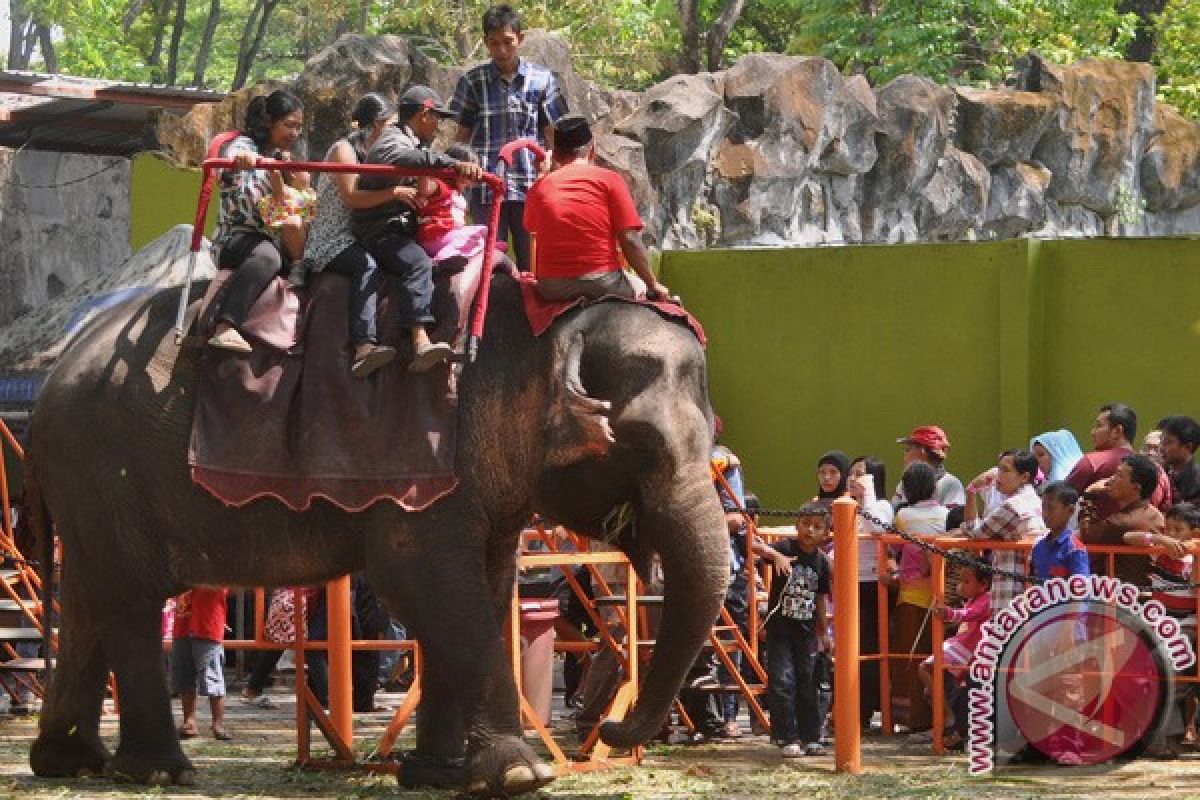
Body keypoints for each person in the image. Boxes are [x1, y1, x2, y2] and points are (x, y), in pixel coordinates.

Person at [353, 86, 483, 373]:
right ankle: (419, 338)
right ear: (425, 114)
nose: (439, 125)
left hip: (402, 227)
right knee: (418, 263)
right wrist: (452, 164)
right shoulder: (394, 140)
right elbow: (405, 159)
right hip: (379, 229)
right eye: (437, 118)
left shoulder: (414, 144)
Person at [449, 3, 568, 271]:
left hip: (531, 187)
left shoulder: (543, 80)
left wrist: (557, 175)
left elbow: (551, 134)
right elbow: (462, 137)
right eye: (494, 43)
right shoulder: (472, 82)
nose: (501, 50)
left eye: (508, 42)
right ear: (485, 43)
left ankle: (534, 313)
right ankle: (488, 313)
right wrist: (456, 178)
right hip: (486, 187)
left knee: (534, 264)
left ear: (520, 39)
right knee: (490, 262)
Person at [302, 92, 412, 379]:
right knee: (367, 265)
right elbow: (352, 198)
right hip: (332, 237)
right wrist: (394, 193)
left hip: (357, 235)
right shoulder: (343, 150)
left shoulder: (371, 154)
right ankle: (364, 346)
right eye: (390, 127)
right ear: (376, 125)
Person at [523, 115, 670, 301]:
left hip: (552, 287)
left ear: (557, 155)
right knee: (640, 287)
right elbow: (630, 239)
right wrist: (653, 284)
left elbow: (532, 228)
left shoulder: (540, 187)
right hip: (602, 281)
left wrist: (544, 175)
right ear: (592, 150)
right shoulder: (610, 180)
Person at [209, 90, 306, 353]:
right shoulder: (244, 147)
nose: (295, 133)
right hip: (240, 236)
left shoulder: (281, 157)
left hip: (275, 237)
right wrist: (242, 164)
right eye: (289, 125)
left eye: (299, 127)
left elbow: (299, 204)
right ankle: (226, 325)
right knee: (268, 258)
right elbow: (244, 193)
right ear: (268, 122)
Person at [761, 502, 832, 757]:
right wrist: (775, 556)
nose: (809, 531)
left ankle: (811, 736)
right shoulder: (785, 548)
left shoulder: (822, 562)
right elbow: (755, 545)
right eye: (805, 524)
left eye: (816, 527)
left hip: (807, 631)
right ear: (796, 525)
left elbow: (821, 599)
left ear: (826, 533)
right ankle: (785, 736)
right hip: (780, 628)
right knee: (782, 681)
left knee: (808, 682)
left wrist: (824, 632)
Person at [887, 461, 945, 734]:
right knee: (935, 658)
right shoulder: (946, 515)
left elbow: (891, 547)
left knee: (908, 659)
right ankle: (936, 715)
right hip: (942, 594)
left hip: (911, 595)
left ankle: (912, 718)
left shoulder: (904, 517)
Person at [952, 450, 1046, 616]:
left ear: (1024, 477)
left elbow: (973, 532)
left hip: (1011, 588)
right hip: (1029, 588)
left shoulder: (1013, 506)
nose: (998, 476)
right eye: (998, 470)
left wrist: (972, 490)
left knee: (1005, 639)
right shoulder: (1036, 501)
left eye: (1005, 470)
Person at [916, 564, 991, 749]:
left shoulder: (985, 600)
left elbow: (968, 615)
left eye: (967, 581)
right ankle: (948, 724)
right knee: (929, 692)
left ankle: (948, 718)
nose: (962, 585)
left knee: (924, 668)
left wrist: (948, 612)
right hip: (959, 645)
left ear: (983, 584)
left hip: (966, 649)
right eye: (961, 581)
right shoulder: (973, 599)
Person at [1066, 403, 1171, 519]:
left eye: (1099, 426)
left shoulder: (1091, 462)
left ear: (1117, 431)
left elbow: (1060, 500)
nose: (1093, 432)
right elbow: (1165, 514)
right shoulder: (1157, 472)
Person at [849, 456, 891, 731]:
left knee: (869, 647)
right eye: (852, 474)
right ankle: (851, 708)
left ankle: (868, 709)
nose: (853, 479)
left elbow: (878, 526)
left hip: (872, 583)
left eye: (861, 475)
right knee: (850, 647)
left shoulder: (881, 506)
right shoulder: (846, 505)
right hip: (850, 581)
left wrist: (868, 496)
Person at [1079, 454, 1165, 585]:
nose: (1110, 480)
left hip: (1125, 599)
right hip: (1142, 596)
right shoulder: (1155, 514)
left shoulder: (1124, 521)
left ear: (1136, 487)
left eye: (1119, 475)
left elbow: (1087, 534)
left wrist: (1089, 494)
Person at [415, 143, 492, 271]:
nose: (472, 179)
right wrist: (424, 167)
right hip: (436, 236)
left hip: (449, 236)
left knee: (484, 232)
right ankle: (441, 260)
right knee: (478, 234)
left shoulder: (459, 192)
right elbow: (424, 189)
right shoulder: (441, 186)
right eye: (469, 174)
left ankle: (481, 248)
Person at [171, 587, 232, 741]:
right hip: (182, 625)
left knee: (212, 676)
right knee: (185, 676)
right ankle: (189, 721)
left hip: (207, 625)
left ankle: (217, 723)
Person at [257, 156, 316, 288]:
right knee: (293, 222)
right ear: (293, 173)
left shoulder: (310, 194)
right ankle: (298, 266)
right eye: (307, 170)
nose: (310, 173)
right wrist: (275, 167)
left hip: (310, 241)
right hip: (288, 245)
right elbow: (277, 184)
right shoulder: (287, 192)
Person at [891, 426, 966, 509]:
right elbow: (894, 512)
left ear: (922, 452)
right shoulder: (904, 483)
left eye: (907, 450)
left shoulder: (951, 484)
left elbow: (954, 519)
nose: (904, 457)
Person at [1030, 482, 1090, 581]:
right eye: (1043, 508)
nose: (1045, 514)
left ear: (1070, 510)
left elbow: (1081, 592)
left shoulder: (1074, 550)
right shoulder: (1038, 547)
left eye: (1050, 508)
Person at [1159, 415, 1200, 505]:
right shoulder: (1161, 473)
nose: (1161, 448)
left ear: (1188, 447)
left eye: (1168, 442)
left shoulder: (1196, 483)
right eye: (1161, 442)